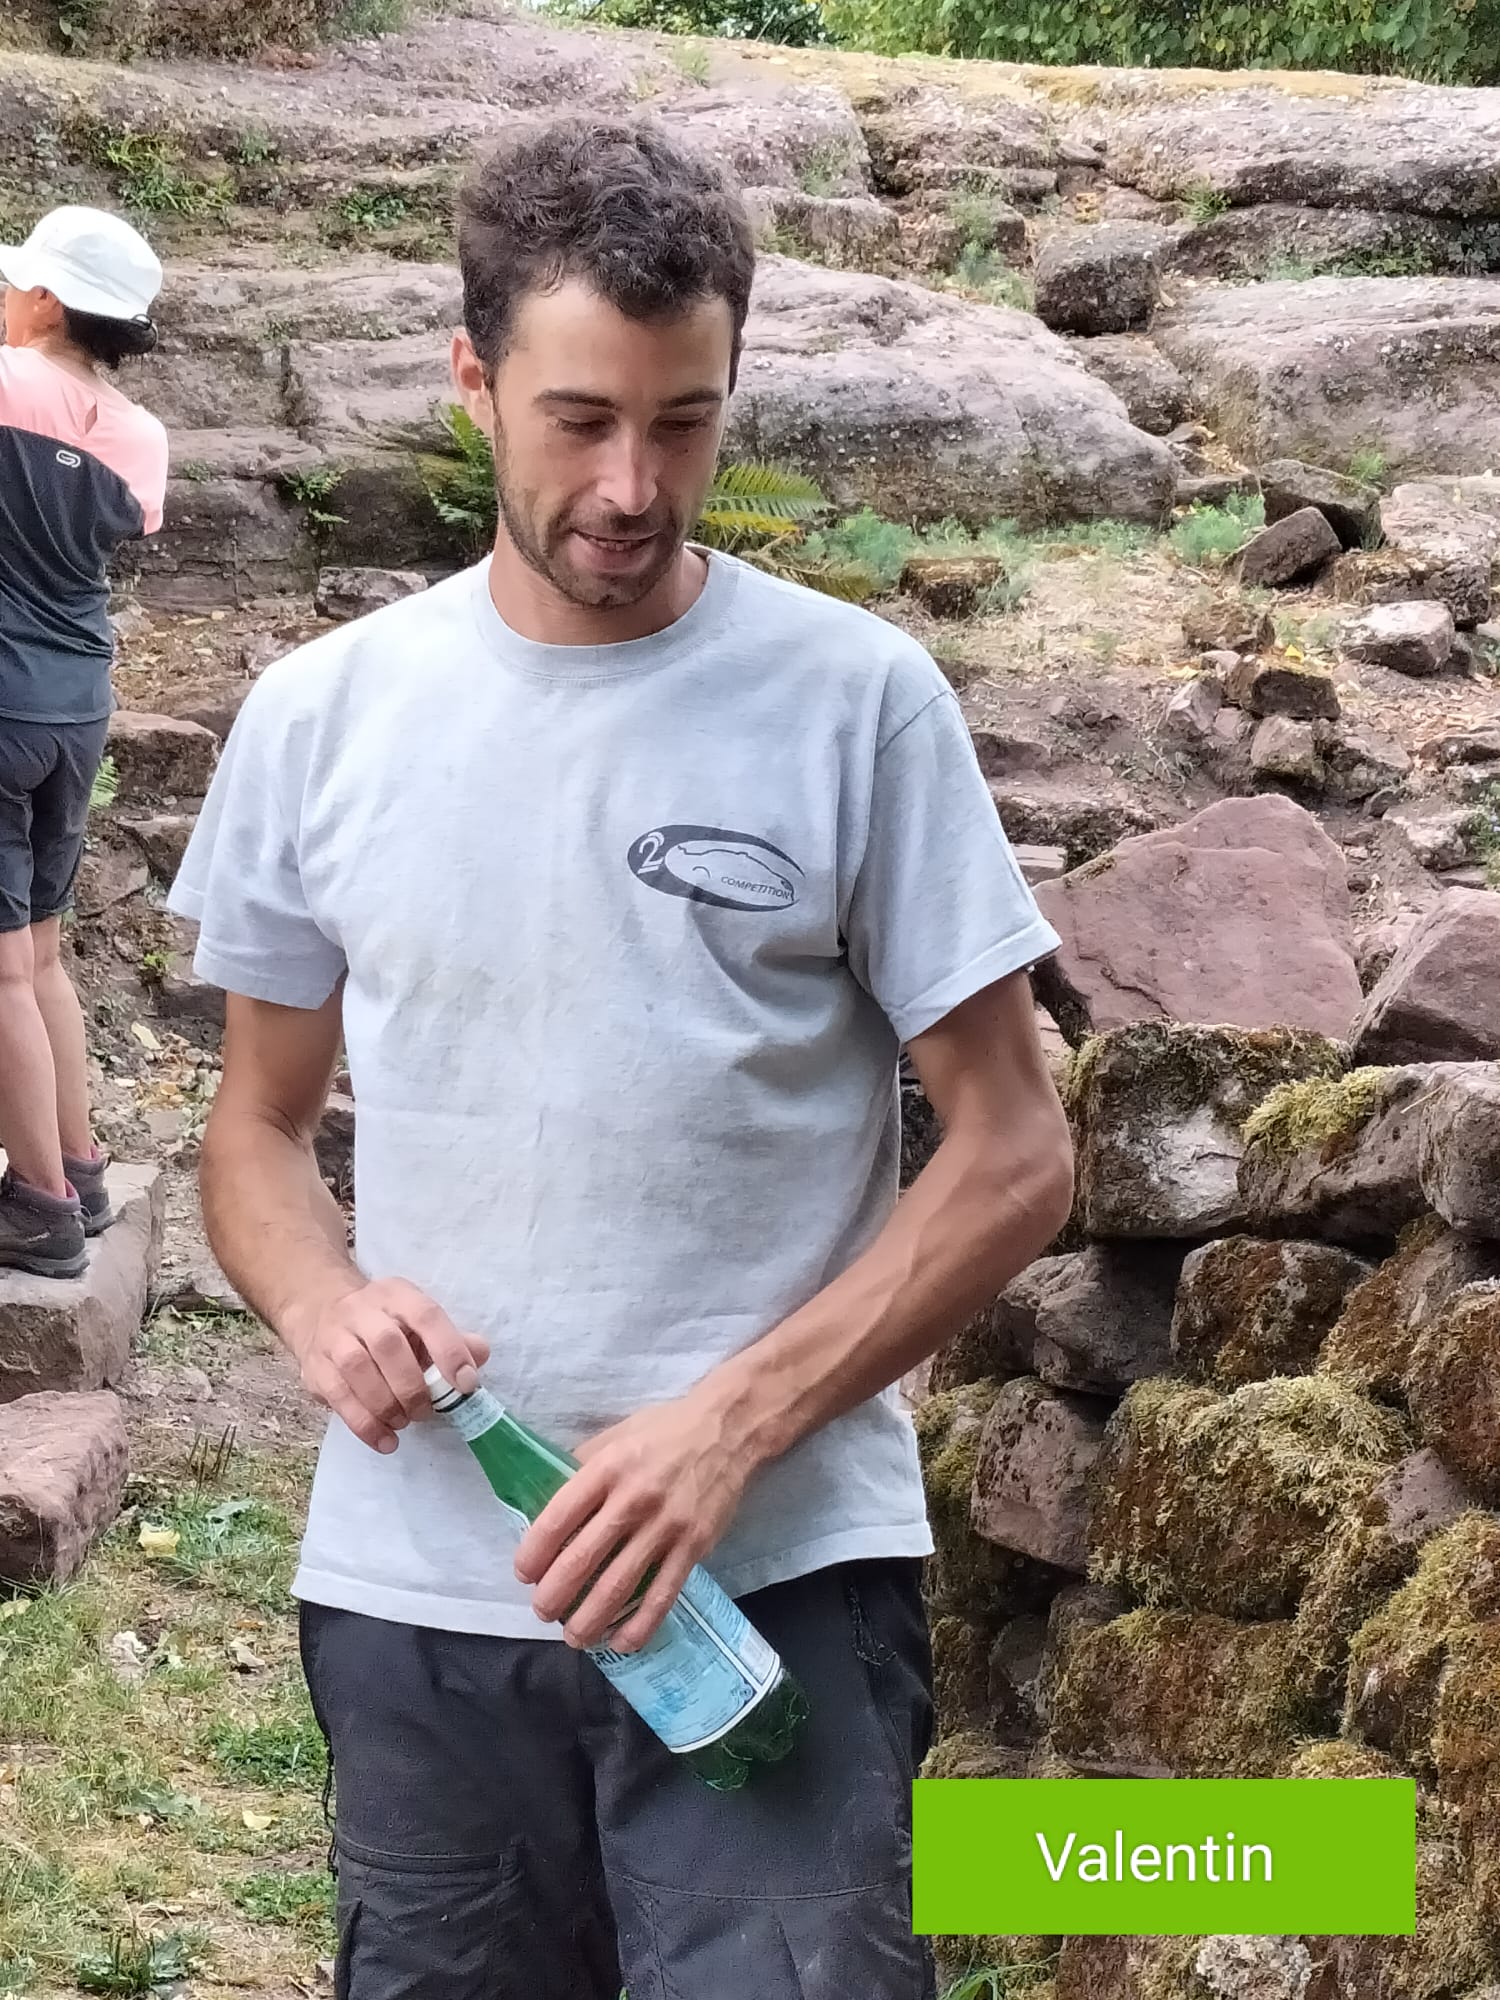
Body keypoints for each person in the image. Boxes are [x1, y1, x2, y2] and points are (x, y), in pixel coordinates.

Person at [169, 118, 1075, 2000]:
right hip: (425, 1595)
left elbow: (1013, 1151)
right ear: (473, 382)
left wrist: (729, 1430)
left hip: (781, 1585)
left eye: (685, 423)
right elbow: (254, 1131)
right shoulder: (322, 718)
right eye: (579, 420)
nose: (631, 485)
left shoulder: (858, 704)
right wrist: (323, 1298)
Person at [0, 204, 168, 1277]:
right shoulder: (143, 435)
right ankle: (80, 1164)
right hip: (75, 706)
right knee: (40, 955)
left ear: (48, 301)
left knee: (0, 978)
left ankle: (38, 1208)